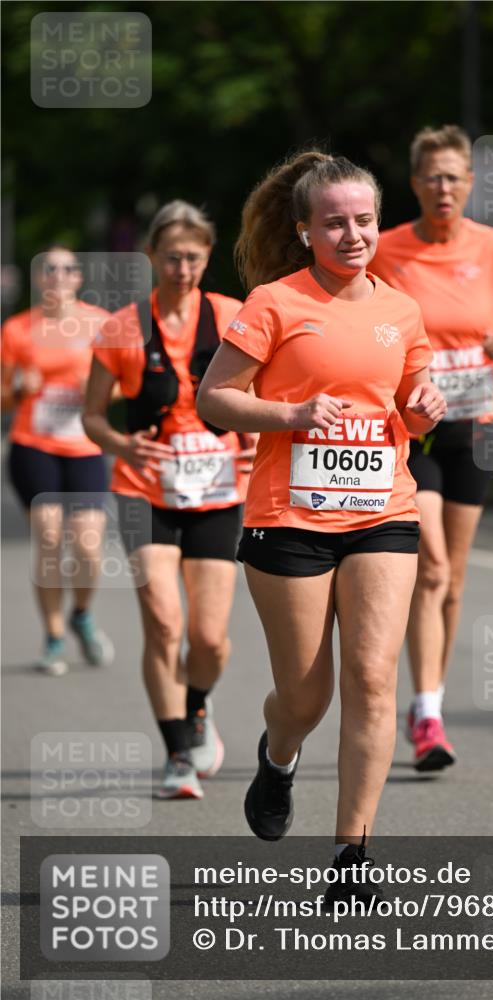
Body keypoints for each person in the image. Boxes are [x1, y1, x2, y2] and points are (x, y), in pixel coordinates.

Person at [197, 151, 445, 899]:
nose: (352, 234)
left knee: (372, 681)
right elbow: (215, 397)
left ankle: (350, 856)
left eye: (363, 220)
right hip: (289, 517)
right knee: (307, 697)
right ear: (304, 230)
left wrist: (422, 409)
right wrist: (293, 414)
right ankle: (278, 757)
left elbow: (410, 401)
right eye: (333, 223)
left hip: (382, 512)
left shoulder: (400, 309)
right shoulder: (273, 302)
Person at [373, 125, 493, 771]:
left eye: (454, 177)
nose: (443, 188)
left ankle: (431, 703)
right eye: (431, 177)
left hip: (476, 423)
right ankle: (423, 716)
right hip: (413, 426)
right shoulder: (386, 251)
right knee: (432, 567)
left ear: (468, 184)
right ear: (414, 184)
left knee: (453, 584)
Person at [82, 201, 251, 800]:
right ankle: (178, 751)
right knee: (162, 622)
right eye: (172, 257)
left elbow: (260, 398)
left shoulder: (233, 317)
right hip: (144, 490)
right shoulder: (123, 328)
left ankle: (197, 707)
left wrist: (257, 440)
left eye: (195, 258)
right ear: (152, 256)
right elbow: (93, 418)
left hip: (219, 490)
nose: (183, 268)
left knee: (207, 638)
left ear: (208, 258)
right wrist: (123, 446)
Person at [1, 245, 115, 676]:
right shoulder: (17, 330)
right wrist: (18, 388)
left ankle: (81, 614)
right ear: (39, 278)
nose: (59, 275)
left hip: (84, 445)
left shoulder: (100, 325)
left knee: (88, 546)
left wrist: (98, 391)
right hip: (34, 446)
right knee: (49, 540)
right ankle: (52, 636)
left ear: (78, 278)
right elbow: (2, 396)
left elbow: (127, 387)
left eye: (68, 268)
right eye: (50, 268)